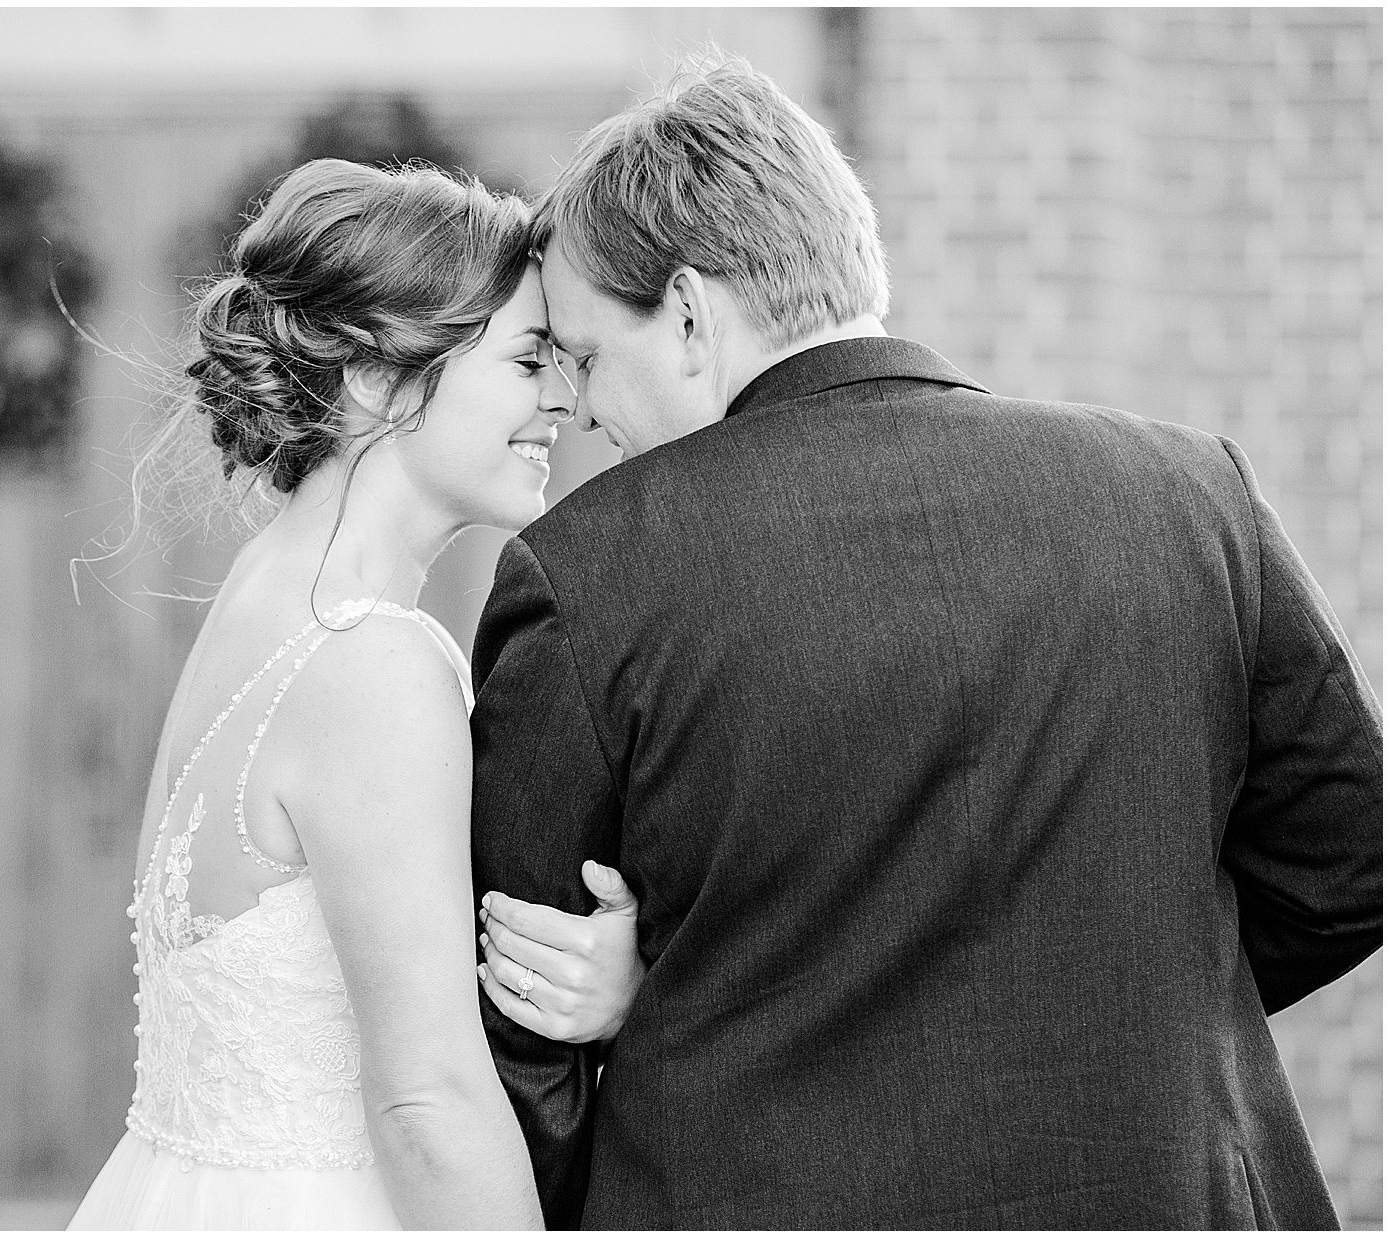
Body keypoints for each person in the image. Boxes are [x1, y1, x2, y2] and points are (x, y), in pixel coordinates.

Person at [470, 51, 1382, 1229]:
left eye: (589, 358)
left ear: (690, 314)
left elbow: (524, 1015)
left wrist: (675, 996)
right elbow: (1350, 862)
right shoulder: (1185, 492)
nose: (583, 409)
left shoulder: (590, 571)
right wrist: (1123, 994)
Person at [67, 159, 642, 1231]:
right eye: (528, 361)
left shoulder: (267, 595)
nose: (564, 398)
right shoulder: (373, 661)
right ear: (379, 378)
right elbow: (425, 1098)